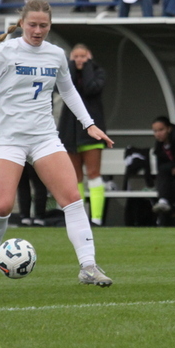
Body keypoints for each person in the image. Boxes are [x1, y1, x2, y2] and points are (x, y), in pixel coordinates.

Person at [0, 0, 114, 290]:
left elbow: (68, 91)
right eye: (32, 24)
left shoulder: (56, 55)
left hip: (44, 136)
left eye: (43, 25)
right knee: (4, 205)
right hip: (9, 138)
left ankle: (88, 266)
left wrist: (90, 124)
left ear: (50, 26)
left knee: (71, 197)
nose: (37, 30)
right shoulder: (5, 52)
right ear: (21, 24)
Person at [57, 44, 108, 226]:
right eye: (75, 57)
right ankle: (79, 220)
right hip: (69, 132)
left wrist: (87, 67)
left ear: (89, 57)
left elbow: (89, 88)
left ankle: (96, 219)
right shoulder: (65, 73)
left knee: (93, 173)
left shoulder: (98, 72)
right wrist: (69, 66)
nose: (79, 60)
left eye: (83, 56)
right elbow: (64, 88)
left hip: (91, 133)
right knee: (74, 177)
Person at [151, 116, 175, 226]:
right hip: (170, 176)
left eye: (161, 130)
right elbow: (161, 165)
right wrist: (172, 167)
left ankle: (168, 212)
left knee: (171, 187)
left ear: (169, 129)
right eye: (155, 131)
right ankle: (164, 204)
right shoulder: (159, 144)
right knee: (164, 179)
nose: (158, 134)